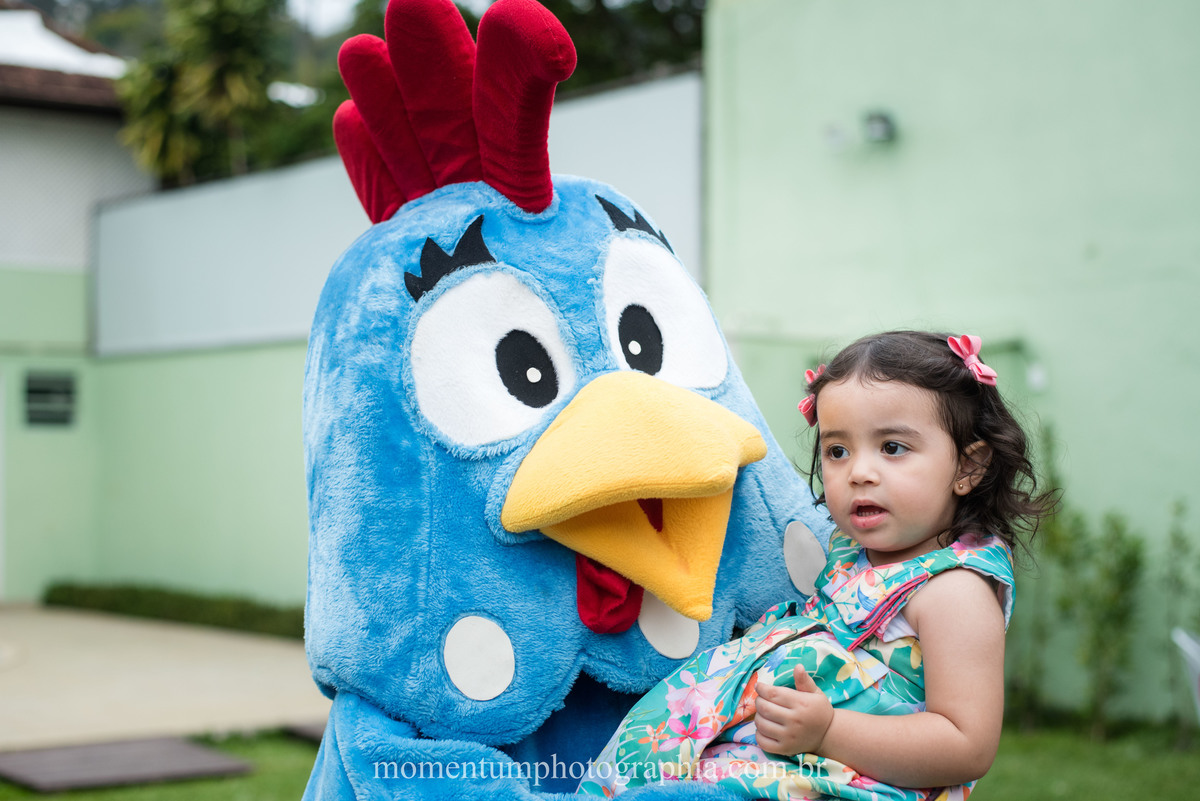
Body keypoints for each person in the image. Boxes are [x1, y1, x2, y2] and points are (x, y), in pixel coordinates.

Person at [578, 330, 1055, 800]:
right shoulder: (853, 553)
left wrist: (828, 730)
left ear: (969, 467)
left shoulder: (954, 592)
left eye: (892, 447)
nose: (859, 473)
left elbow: (966, 746)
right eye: (837, 451)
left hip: (840, 779)